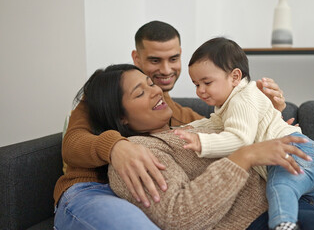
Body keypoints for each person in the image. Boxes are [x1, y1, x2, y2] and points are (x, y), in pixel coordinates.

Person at [79, 64, 314, 230]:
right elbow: (178, 216)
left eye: (151, 83)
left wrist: (268, 114)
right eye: (141, 92)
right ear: (120, 117)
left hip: (305, 195)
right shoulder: (137, 154)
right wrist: (245, 156)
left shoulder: (190, 125)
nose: (157, 90)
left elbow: (238, 126)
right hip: (264, 220)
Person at [55, 21, 289, 229]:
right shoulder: (103, 96)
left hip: (145, 197)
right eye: (155, 60)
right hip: (92, 189)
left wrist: (265, 114)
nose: (166, 70)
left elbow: (221, 132)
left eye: (173, 59)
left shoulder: (172, 109)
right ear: (137, 58)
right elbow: (73, 143)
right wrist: (116, 147)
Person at [173, 37, 314, 230]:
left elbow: (240, 139)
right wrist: (188, 128)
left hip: (291, 152)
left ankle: (283, 224)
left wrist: (202, 143)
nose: (200, 91)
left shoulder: (241, 100)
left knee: (280, 188)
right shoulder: (230, 103)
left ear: (234, 77)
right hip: (306, 149)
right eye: (196, 84)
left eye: (207, 82)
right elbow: (213, 123)